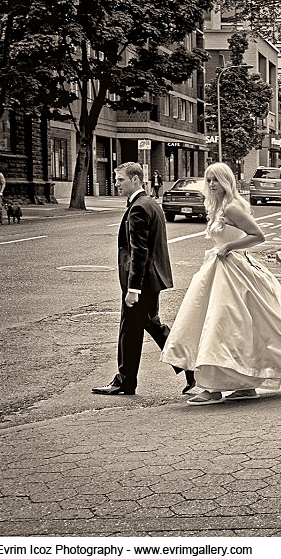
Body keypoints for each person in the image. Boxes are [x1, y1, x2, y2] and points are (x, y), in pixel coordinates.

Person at [161, 163, 281, 405]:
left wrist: (228, 247)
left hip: (234, 273)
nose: (212, 184)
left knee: (223, 328)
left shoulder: (232, 208)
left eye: (216, 180)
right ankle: (241, 384)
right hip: (221, 272)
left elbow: (258, 236)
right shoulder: (218, 206)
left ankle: (215, 388)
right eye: (209, 179)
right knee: (229, 330)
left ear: (226, 182)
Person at [92, 162, 185, 396]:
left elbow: (139, 251)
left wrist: (133, 288)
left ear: (135, 180)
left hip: (142, 282)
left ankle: (190, 366)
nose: (116, 183)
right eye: (115, 179)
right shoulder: (150, 203)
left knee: (143, 328)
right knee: (137, 330)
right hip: (151, 280)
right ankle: (126, 381)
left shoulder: (139, 208)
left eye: (120, 179)